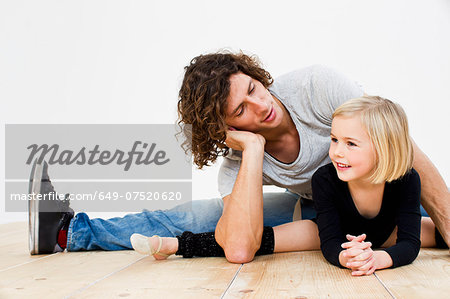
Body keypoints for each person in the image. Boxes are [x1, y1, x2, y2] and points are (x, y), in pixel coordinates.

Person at [28, 51, 449, 258]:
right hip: (317, 208)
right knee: (191, 217)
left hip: (374, 200)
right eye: (240, 111)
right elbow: (239, 247)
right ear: (225, 127)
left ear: (255, 74)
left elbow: (401, 148)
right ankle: (69, 231)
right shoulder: (239, 156)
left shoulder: (317, 86)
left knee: (428, 231)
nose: (260, 105)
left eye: (252, 88)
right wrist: (252, 149)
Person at [130, 96, 447, 275]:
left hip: (387, 230)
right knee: (264, 240)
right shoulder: (325, 178)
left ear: (385, 148)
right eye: (334, 139)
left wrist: (380, 258)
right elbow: (330, 241)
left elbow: (409, 244)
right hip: (327, 229)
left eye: (351, 143)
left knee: (442, 234)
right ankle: (176, 245)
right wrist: (343, 256)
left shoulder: (407, 180)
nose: (336, 151)